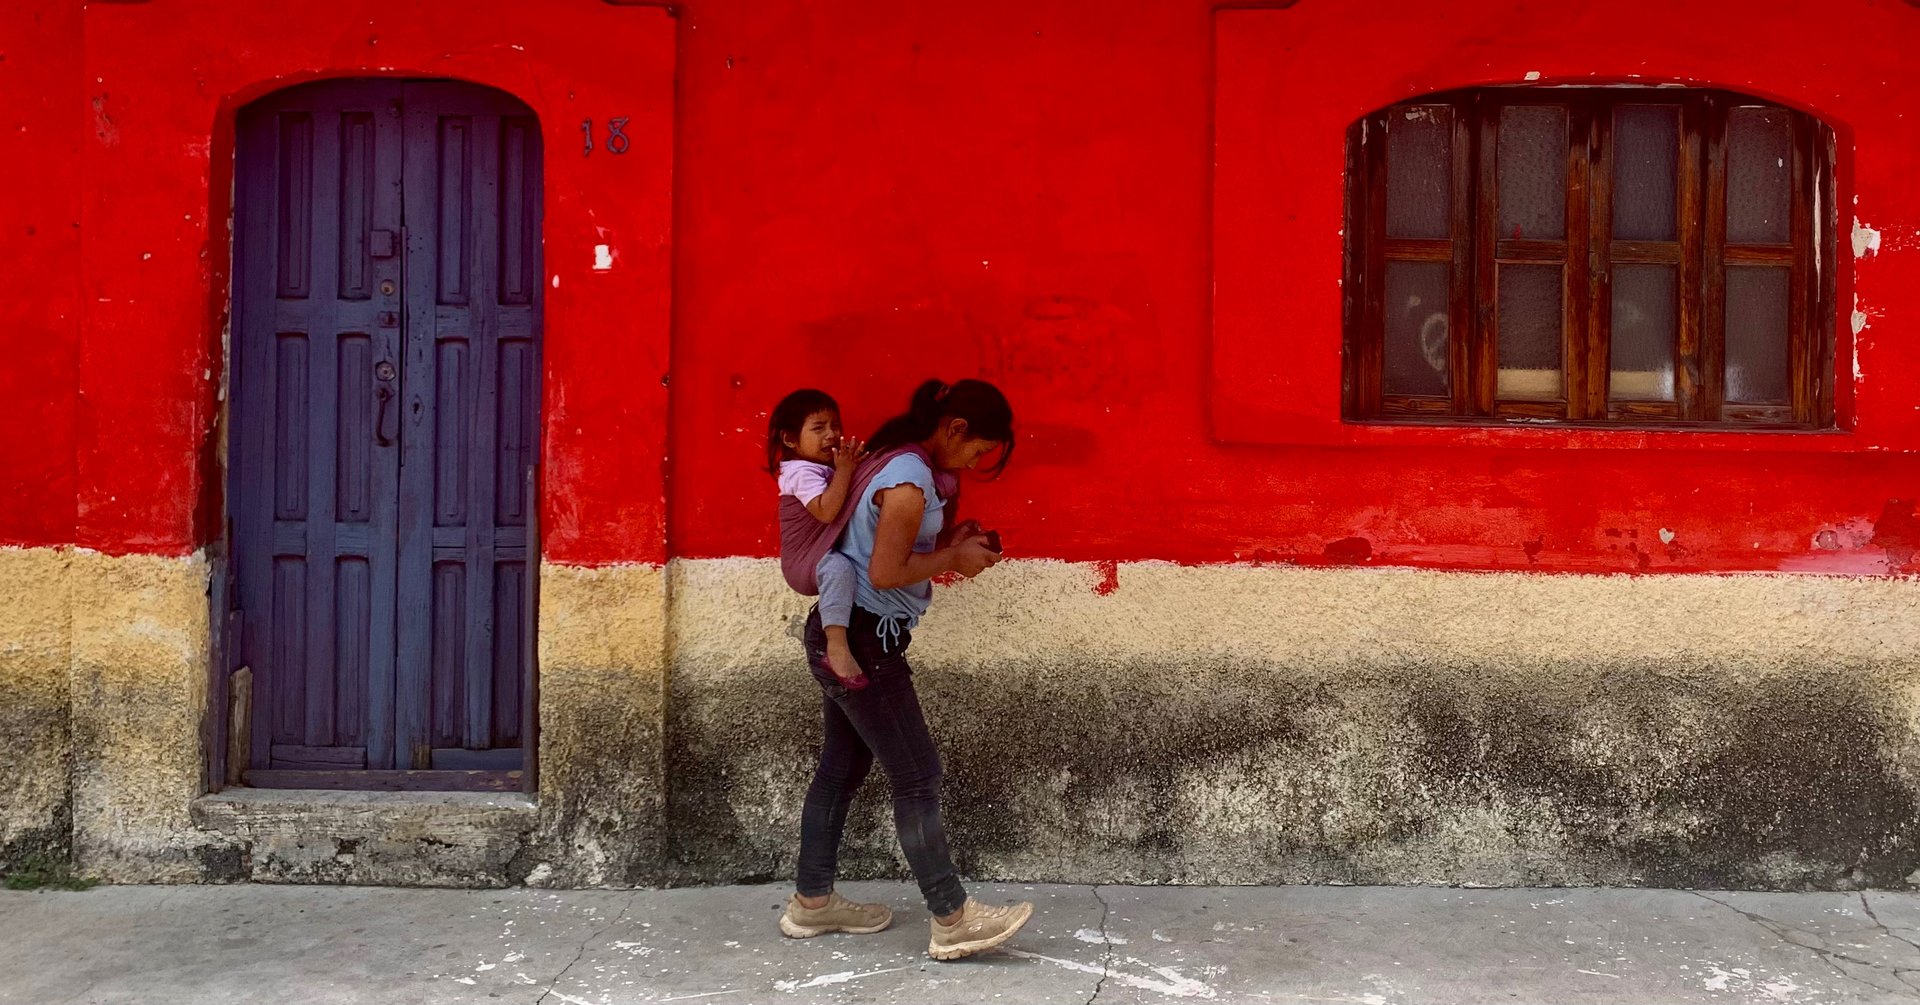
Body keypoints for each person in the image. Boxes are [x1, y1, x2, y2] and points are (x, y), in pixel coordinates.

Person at [777, 378, 1033, 962]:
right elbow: (888, 570)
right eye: (978, 451)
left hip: (847, 631)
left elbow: (884, 549)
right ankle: (952, 917)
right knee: (917, 776)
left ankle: (812, 903)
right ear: (955, 429)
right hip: (865, 639)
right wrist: (953, 558)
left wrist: (953, 540)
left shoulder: (900, 461)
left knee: (840, 770)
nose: (976, 463)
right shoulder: (910, 479)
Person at [767, 389, 869, 687]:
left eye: (835, 426)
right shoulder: (800, 472)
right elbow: (826, 512)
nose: (831, 434)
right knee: (839, 568)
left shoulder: (824, 467)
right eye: (818, 428)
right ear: (790, 440)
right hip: (804, 563)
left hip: (820, 555)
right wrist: (846, 472)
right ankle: (835, 646)